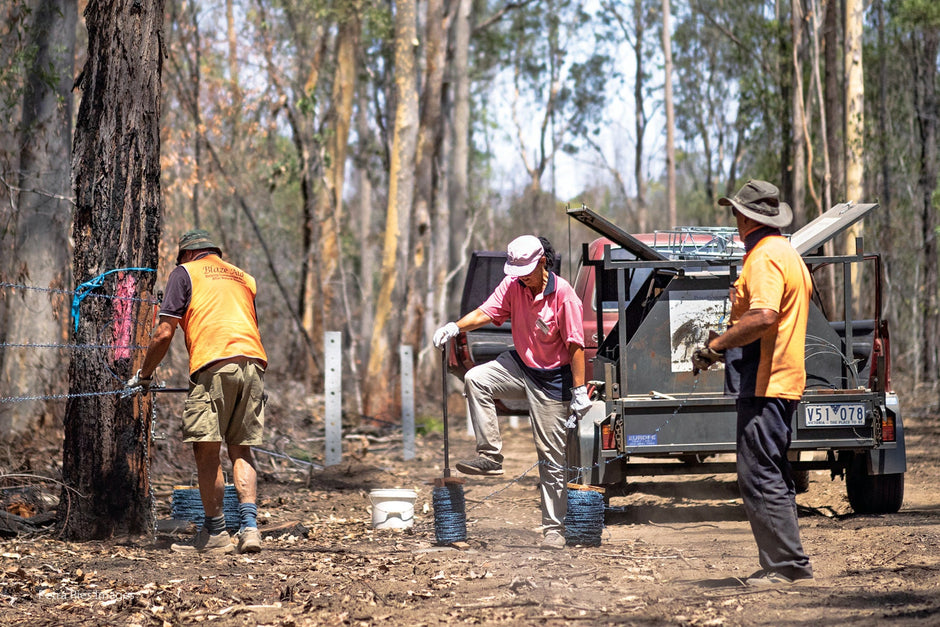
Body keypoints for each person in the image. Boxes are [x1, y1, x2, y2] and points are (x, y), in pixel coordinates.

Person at [433, 235, 592, 550]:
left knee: (551, 459)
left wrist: (579, 391)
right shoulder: (513, 286)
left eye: (527, 271)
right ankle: (490, 455)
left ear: (543, 262)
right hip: (520, 365)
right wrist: (456, 326)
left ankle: (553, 530)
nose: (522, 277)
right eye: (517, 272)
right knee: (476, 378)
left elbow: (576, 346)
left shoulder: (564, 296)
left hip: (553, 380)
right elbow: (487, 312)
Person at [692, 180, 814, 586]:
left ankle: (787, 567)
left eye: (735, 212)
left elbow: (763, 316)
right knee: (769, 472)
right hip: (782, 377)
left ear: (746, 218)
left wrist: (714, 346)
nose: (734, 218)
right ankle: (785, 563)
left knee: (758, 474)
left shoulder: (763, 257)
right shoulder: (788, 254)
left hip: (767, 380)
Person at [125, 229, 267, 555]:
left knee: (207, 449)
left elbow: (163, 333)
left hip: (213, 364)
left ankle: (216, 534)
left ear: (187, 254)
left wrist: (144, 376)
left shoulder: (184, 272)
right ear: (213, 251)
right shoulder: (244, 278)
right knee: (241, 450)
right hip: (253, 363)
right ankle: (249, 529)